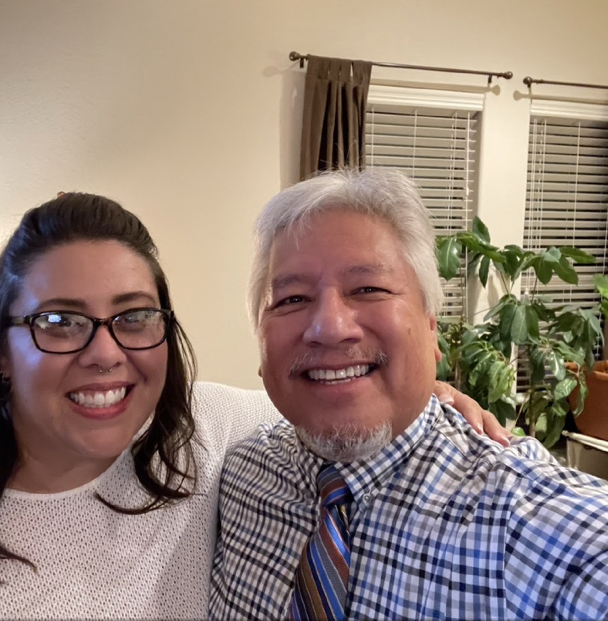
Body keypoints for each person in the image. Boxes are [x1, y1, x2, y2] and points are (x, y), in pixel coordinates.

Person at [0, 190, 503, 619]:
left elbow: (329, 398)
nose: (105, 353)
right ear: (0, 348)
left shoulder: (207, 431)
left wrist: (426, 390)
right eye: (60, 321)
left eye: (134, 316)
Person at [209, 168, 608, 621]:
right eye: (292, 299)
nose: (330, 328)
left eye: (369, 289)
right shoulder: (235, 475)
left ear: (431, 328)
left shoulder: (536, 525)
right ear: (260, 347)